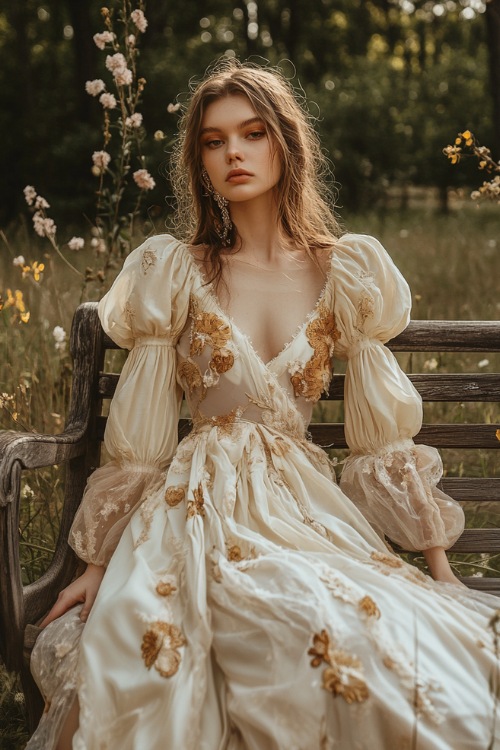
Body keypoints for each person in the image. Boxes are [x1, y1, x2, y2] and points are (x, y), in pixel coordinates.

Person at [28, 60, 499, 750]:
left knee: (352, 630)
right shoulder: (177, 271)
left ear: (285, 143)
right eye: (214, 142)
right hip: (196, 503)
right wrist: (96, 565)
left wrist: (439, 569)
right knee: (235, 627)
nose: (234, 154)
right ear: (200, 162)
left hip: (303, 506)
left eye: (251, 133)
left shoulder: (347, 271)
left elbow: (381, 439)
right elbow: (141, 438)